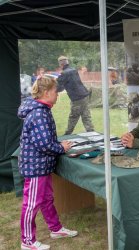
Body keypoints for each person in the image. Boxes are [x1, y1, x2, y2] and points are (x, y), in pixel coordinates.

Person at [18, 76, 78, 250]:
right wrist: (62, 147)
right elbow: (44, 145)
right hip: (36, 167)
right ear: (45, 93)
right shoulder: (39, 113)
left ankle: (56, 229)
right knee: (31, 204)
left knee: (46, 199)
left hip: (40, 165)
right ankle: (27, 241)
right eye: (55, 91)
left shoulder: (42, 109)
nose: (57, 94)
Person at [57, 56, 94, 135]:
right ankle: (92, 133)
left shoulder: (64, 73)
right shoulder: (73, 70)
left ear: (61, 65)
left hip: (77, 98)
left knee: (73, 117)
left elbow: (59, 88)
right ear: (67, 62)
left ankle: (67, 135)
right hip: (85, 95)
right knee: (86, 116)